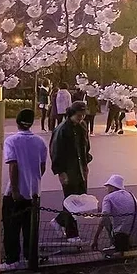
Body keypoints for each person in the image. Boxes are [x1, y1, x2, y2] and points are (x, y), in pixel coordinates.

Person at [1, 108, 47, 270]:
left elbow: (13, 166)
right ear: (31, 123)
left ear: (17, 122)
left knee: (11, 227)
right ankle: (30, 257)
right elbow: (42, 167)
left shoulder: (11, 141)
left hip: (15, 192)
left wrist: (14, 190)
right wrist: (34, 181)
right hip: (34, 192)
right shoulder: (40, 141)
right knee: (31, 227)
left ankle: (12, 260)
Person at [50, 100, 92, 241]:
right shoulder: (62, 129)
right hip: (68, 170)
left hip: (80, 169)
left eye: (83, 115)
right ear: (72, 114)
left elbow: (85, 147)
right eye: (79, 115)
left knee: (80, 200)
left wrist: (86, 163)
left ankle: (60, 221)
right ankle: (72, 233)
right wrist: (61, 172)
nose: (81, 118)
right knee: (71, 200)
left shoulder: (82, 126)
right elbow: (55, 151)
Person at [91, 174, 137, 256]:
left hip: (122, 240)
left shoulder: (108, 198)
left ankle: (113, 244)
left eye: (107, 186)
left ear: (112, 186)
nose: (106, 188)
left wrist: (95, 239)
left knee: (106, 219)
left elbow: (104, 217)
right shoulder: (130, 194)